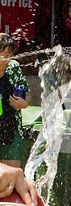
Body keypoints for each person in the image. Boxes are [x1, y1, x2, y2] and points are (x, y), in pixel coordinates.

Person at [0, 33, 32, 168]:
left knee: (13, 176)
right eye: (4, 56)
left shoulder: (14, 68)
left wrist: (24, 103)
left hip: (11, 129)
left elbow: (29, 95)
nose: (7, 60)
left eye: (10, 56)